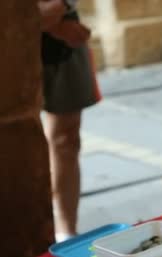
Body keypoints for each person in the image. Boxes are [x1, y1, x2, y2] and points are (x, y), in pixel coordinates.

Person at [40, 0, 101, 242]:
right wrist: (36, 19)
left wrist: (61, 8)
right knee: (16, 142)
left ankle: (66, 231)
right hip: (11, 30)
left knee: (67, 138)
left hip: (64, 24)